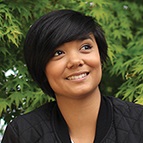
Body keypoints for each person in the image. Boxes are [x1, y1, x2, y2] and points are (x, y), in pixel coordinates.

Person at [2, 9, 143, 143]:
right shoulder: (23, 134)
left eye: (85, 47)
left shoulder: (138, 122)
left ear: (100, 56)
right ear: (41, 68)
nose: (75, 61)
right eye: (58, 53)